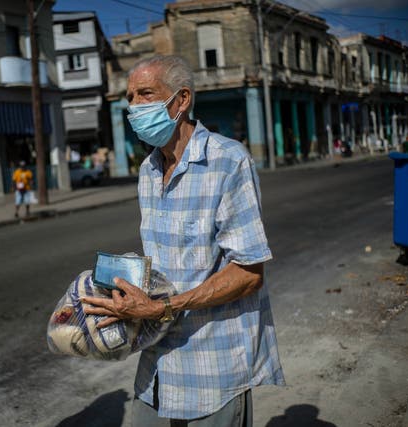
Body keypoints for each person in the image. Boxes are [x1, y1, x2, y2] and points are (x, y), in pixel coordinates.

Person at [81, 55, 284, 426]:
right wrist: (124, 291)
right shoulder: (148, 170)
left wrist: (165, 308)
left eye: (146, 94)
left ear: (182, 99)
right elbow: (165, 261)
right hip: (157, 363)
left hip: (214, 368)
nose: (134, 107)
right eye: (130, 97)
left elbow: (249, 273)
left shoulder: (228, 160)